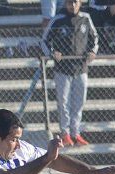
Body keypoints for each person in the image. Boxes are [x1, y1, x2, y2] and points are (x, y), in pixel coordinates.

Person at [41, 0, 98, 146]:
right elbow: (44, 41)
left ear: (79, 3)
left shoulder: (86, 18)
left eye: (75, 2)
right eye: (69, 2)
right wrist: (53, 53)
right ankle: (64, 133)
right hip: (62, 69)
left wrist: (92, 52)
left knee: (79, 103)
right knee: (63, 102)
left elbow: (95, 38)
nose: (72, 5)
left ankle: (75, 132)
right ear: (65, 4)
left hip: (81, 68)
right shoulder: (58, 19)